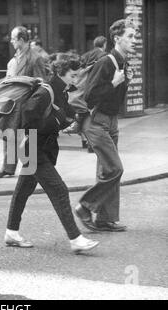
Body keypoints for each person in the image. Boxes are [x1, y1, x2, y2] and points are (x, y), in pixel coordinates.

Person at [4, 52, 99, 253]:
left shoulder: (62, 91)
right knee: (60, 190)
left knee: (23, 190)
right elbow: (27, 116)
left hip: (41, 149)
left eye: (77, 75)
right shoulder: (47, 91)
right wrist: (56, 123)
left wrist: (66, 124)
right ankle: (76, 239)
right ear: (62, 72)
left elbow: (56, 116)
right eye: (73, 75)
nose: (75, 79)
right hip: (33, 149)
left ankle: (11, 232)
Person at [74, 19, 136, 232]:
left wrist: (124, 83)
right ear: (117, 38)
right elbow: (90, 96)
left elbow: (113, 98)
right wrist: (114, 83)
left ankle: (105, 219)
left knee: (106, 170)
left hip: (111, 120)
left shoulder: (123, 62)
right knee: (115, 168)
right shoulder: (106, 62)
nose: (133, 40)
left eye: (134, 36)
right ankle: (85, 206)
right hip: (96, 121)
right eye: (130, 36)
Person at [0, 26, 51, 179]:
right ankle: (8, 168)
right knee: (9, 133)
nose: (10, 41)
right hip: (12, 103)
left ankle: (31, 167)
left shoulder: (35, 58)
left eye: (13, 38)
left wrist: (33, 105)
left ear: (22, 40)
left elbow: (41, 83)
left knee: (30, 135)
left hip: (27, 104)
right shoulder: (15, 58)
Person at [63, 36, 108, 138]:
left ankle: (84, 138)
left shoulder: (86, 55)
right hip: (94, 87)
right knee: (91, 116)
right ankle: (90, 142)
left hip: (82, 88)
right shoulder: (104, 56)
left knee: (84, 112)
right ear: (104, 44)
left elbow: (79, 69)